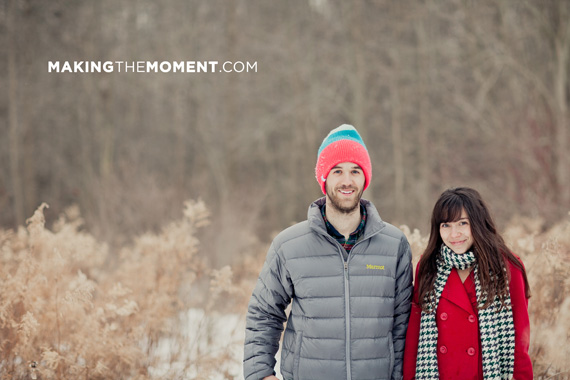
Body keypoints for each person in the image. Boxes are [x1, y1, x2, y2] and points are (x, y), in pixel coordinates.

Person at [243, 124, 413, 380]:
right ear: (324, 178)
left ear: (365, 178)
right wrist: (260, 374)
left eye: (355, 171)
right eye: (337, 171)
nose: (347, 181)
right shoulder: (289, 245)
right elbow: (264, 314)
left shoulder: (394, 245)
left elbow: (403, 325)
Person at [403, 187, 533, 380]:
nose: (454, 234)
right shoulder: (429, 265)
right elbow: (415, 330)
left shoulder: (506, 266)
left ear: (478, 223)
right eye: (446, 225)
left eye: (462, 223)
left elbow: (519, 336)